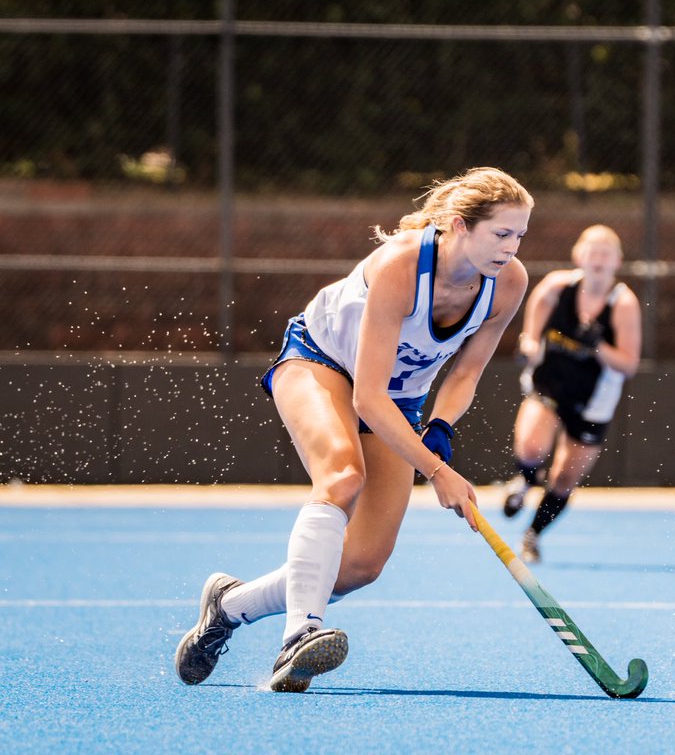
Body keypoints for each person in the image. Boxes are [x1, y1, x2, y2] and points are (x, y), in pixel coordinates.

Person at [174, 167, 534, 692]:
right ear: (460, 226)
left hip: (399, 398)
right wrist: (436, 471)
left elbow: (466, 372)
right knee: (343, 477)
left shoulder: (510, 283)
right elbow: (365, 394)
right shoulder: (401, 266)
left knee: (362, 563)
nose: (511, 247)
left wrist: (441, 427)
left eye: (520, 234)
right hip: (323, 362)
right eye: (501, 233)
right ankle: (300, 635)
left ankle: (229, 605)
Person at [499, 224, 642, 562]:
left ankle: (532, 534)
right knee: (532, 447)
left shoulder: (623, 304)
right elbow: (533, 324)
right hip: (551, 382)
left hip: (593, 401)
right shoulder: (558, 286)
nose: (598, 259)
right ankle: (525, 479)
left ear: (617, 262)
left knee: (565, 477)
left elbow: (628, 364)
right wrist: (530, 342)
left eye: (606, 253)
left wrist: (598, 347)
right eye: (592, 251)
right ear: (578, 256)